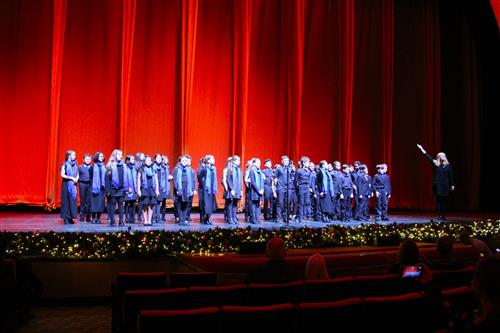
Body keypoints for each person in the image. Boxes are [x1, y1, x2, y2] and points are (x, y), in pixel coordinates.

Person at [417, 144, 455, 221]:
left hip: (445, 185)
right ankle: (439, 216)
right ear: (439, 157)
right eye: (442, 156)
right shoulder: (436, 164)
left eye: (444, 155)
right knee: (438, 201)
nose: (443, 157)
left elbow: (451, 175)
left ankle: (443, 215)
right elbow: (428, 157)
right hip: (438, 185)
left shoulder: (448, 165)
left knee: (443, 201)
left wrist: (452, 184)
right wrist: (422, 149)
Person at [106, 149, 128, 226]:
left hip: (121, 188)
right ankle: (112, 221)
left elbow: (126, 177)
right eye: (119, 154)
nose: (121, 156)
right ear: (115, 155)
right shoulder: (110, 165)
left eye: (121, 155)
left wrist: (127, 188)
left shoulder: (124, 165)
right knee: (112, 205)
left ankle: (121, 220)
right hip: (113, 188)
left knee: (121, 205)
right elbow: (107, 179)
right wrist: (107, 191)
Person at [173, 155, 195, 226]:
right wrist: (177, 189)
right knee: (179, 204)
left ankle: (184, 219)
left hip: (187, 189)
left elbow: (193, 180)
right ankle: (180, 220)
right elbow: (175, 180)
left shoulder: (190, 170)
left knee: (186, 204)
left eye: (186, 161)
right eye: (183, 160)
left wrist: (193, 189)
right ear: (180, 161)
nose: (184, 162)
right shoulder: (177, 169)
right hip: (180, 188)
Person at [137, 155, 159, 226]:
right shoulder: (141, 169)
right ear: (144, 161)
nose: (149, 161)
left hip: (152, 188)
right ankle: (145, 220)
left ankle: (149, 220)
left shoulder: (153, 168)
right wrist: (138, 190)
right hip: (144, 188)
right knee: (145, 205)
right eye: (147, 160)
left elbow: (156, 180)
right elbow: (138, 180)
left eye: (150, 160)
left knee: (151, 205)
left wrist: (157, 190)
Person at [198, 155, 217, 225]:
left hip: (212, 189)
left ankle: (209, 219)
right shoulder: (204, 169)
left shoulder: (213, 168)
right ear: (208, 161)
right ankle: (205, 219)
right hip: (206, 189)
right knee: (207, 205)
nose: (214, 160)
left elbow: (214, 179)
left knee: (211, 205)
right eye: (212, 159)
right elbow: (200, 178)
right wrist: (204, 185)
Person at [60, 150, 78, 224]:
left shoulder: (75, 164)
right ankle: (66, 218)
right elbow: (62, 175)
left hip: (73, 184)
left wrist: (76, 178)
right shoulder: (65, 164)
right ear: (69, 156)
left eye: (75, 154)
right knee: (66, 201)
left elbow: (77, 174)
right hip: (66, 184)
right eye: (73, 154)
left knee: (72, 201)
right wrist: (71, 178)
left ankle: (71, 217)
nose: (75, 156)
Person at [90, 152, 106, 224]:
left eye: (102, 156)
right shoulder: (92, 167)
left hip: (102, 188)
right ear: (96, 157)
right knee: (94, 204)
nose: (101, 157)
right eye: (100, 156)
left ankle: (98, 218)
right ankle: (93, 218)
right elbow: (90, 178)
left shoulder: (104, 167)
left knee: (100, 204)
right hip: (94, 188)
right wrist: (92, 187)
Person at [226, 155, 243, 224]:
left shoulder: (238, 169)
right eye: (238, 160)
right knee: (230, 204)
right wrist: (232, 189)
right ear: (234, 161)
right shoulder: (230, 168)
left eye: (239, 160)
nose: (239, 162)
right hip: (232, 189)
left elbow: (240, 180)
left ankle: (234, 218)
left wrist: (241, 190)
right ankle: (230, 218)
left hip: (237, 189)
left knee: (235, 204)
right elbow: (228, 179)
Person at [295, 156, 311, 223]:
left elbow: (309, 180)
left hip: (307, 187)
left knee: (306, 202)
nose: (309, 164)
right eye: (308, 162)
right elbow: (295, 181)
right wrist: (297, 189)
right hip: (301, 187)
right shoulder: (299, 171)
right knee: (301, 203)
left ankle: (305, 217)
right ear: (304, 163)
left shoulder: (308, 171)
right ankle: (300, 218)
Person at [248, 158, 264, 224]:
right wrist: (258, 190)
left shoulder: (260, 171)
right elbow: (253, 182)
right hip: (254, 191)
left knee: (258, 205)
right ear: (254, 163)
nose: (259, 164)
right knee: (253, 205)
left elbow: (262, 181)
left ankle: (257, 218)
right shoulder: (252, 171)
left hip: (260, 190)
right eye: (258, 163)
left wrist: (262, 189)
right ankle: (253, 218)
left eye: (260, 163)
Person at [124, 155, 138, 224]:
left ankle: (132, 218)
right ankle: (127, 218)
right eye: (132, 159)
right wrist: (127, 187)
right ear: (128, 160)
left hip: (134, 188)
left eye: (134, 159)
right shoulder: (125, 168)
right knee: (127, 203)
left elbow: (136, 178)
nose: (133, 160)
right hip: (128, 188)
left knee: (133, 203)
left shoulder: (134, 168)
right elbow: (125, 179)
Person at [78, 153, 92, 222]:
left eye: (89, 159)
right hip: (82, 184)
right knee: (82, 200)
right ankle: (82, 215)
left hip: (89, 185)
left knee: (88, 201)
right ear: (83, 159)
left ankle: (88, 216)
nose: (88, 160)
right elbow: (77, 175)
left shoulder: (92, 167)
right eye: (86, 159)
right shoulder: (80, 167)